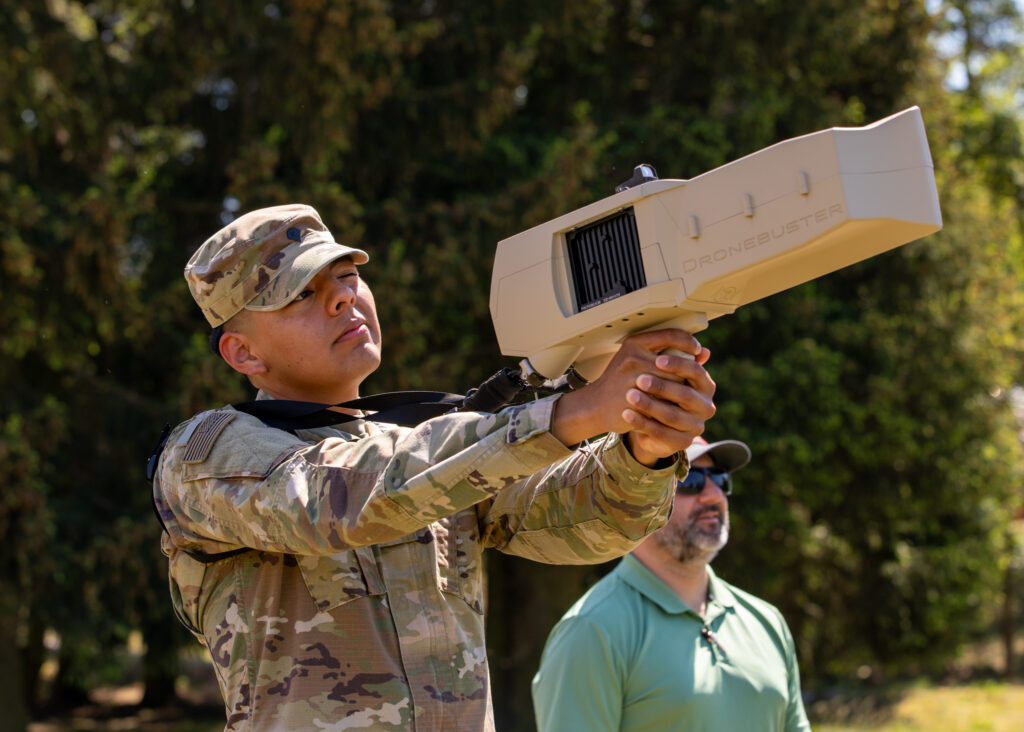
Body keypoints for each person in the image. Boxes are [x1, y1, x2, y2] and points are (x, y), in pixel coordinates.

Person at [151, 203, 717, 731]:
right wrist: (573, 412)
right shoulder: (206, 454)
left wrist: (646, 445)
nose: (343, 298)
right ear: (243, 353)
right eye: (301, 293)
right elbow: (340, 498)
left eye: (347, 276)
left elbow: (581, 523)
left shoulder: (425, 450)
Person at [532, 435, 812, 732]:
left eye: (719, 478)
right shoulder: (590, 630)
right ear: (633, 498)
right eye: (690, 479)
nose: (715, 495)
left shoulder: (767, 622)